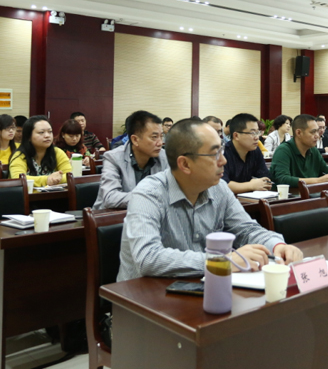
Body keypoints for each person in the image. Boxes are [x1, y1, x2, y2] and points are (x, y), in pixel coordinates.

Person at [118, 118, 303, 281]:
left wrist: (277, 245)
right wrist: (223, 262)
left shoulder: (218, 188)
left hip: (202, 288)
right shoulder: (148, 194)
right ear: (185, 164)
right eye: (214, 154)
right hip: (144, 299)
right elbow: (148, 258)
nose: (223, 161)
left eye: (222, 150)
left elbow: (247, 230)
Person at [93, 111, 169, 210]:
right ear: (135, 140)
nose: (160, 143)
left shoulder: (164, 156)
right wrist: (149, 196)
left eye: (161, 136)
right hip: (113, 216)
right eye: (154, 137)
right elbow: (110, 198)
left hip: (149, 214)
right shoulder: (113, 158)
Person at [270, 114, 328, 188]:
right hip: (290, 197)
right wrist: (317, 180)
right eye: (313, 132)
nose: (317, 136)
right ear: (298, 133)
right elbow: (282, 179)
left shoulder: (313, 151)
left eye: (317, 132)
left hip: (311, 194)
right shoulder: (283, 150)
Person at [7, 116, 73, 187]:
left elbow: (70, 175)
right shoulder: (20, 155)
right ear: (28, 136)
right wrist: (47, 180)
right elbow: (18, 179)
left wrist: (53, 179)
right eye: (41, 132)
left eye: (50, 132)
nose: (47, 136)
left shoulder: (57, 152)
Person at [222, 113, 271, 194]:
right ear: (236, 136)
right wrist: (251, 185)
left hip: (251, 198)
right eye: (252, 133)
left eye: (257, 132)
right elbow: (222, 185)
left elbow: (265, 178)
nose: (257, 137)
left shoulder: (255, 151)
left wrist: (263, 183)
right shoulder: (223, 153)